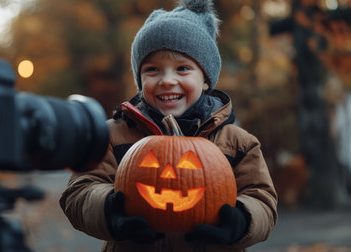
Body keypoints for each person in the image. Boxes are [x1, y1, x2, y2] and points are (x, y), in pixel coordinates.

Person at [59, 0, 278, 251]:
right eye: (152, 70)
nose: (167, 80)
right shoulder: (112, 135)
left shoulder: (238, 143)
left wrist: (242, 219)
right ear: (140, 80)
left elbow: (262, 199)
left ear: (205, 79)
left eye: (182, 69)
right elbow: (78, 193)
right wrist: (109, 209)